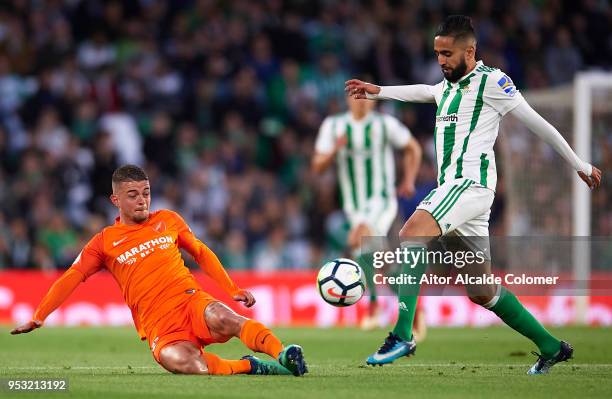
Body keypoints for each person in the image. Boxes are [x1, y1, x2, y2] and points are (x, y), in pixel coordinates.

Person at [346, 15, 602, 374]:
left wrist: (578, 162)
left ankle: (402, 334)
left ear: (470, 50)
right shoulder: (448, 87)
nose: (441, 61)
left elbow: (537, 123)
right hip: (459, 194)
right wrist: (379, 90)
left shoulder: (493, 82)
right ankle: (551, 346)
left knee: (411, 232)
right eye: (437, 53)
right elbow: (425, 90)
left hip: (469, 185)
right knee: (482, 290)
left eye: (447, 54)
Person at [10, 164, 308, 377]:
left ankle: (283, 354)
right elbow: (70, 278)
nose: (142, 200)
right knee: (189, 365)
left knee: (225, 317)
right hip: (160, 327)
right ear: (116, 200)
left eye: (146, 192)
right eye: (133, 195)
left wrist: (232, 289)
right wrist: (39, 316)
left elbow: (201, 252)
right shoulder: (103, 242)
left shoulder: (168, 220)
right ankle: (249, 366)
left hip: (191, 301)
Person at [312, 94, 423, 330]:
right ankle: (413, 307)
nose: (361, 101)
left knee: (359, 241)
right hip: (354, 206)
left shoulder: (385, 124)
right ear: (347, 100)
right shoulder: (333, 126)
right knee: (378, 259)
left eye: (367, 97)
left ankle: (374, 308)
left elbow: (413, 148)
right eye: (356, 97)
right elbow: (317, 166)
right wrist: (335, 150)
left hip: (381, 200)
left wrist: (409, 180)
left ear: (374, 102)